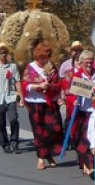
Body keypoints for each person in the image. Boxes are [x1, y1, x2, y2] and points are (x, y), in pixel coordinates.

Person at [22, 40, 64, 170]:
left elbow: (58, 83)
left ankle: (49, 154)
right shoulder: (30, 68)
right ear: (37, 56)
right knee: (39, 131)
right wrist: (38, 86)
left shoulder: (51, 67)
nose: (44, 60)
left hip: (50, 102)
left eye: (47, 57)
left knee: (54, 129)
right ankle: (41, 157)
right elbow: (25, 85)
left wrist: (52, 88)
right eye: (42, 57)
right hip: (36, 103)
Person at [66, 50, 95, 176]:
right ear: (81, 63)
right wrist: (73, 101)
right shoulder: (77, 77)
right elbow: (69, 95)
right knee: (81, 140)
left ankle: (90, 165)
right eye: (86, 62)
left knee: (93, 139)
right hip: (82, 112)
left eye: (91, 62)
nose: (89, 64)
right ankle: (87, 164)